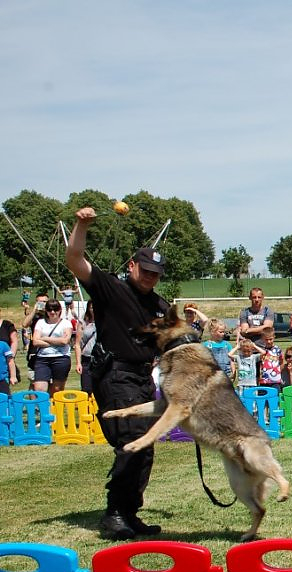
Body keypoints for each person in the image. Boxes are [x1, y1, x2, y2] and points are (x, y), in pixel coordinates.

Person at [65, 206, 170, 540]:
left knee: (146, 446)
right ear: (132, 266)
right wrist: (81, 225)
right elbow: (74, 259)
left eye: (156, 273)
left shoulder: (160, 305)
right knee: (131, 441)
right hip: (115, 376)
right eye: (146, 270)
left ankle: (129, 512)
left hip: (143, 379)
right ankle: (114, 514)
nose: (150, 277)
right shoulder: (111, 288)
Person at [31, 300, 73, 395]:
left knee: (57, 389)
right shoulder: (40, 322)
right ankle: (43, 404)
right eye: (49, 310)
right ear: (46, 310)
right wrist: (56, 341)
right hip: (42, 359)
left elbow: (65, 341)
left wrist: (44, 338)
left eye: (55, 309)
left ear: (60, 310)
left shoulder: (66, 323)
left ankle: (53, 404)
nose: (52, 312)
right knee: (39, 389)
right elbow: (35, 341)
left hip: (61, 358)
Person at [74, 300, 98, 395]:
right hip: (87, 359)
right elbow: (77, 344)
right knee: (87, 388)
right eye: (92, 307)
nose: (94, 310)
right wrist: (78, 363)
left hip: (101, 359)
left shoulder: (107, 321)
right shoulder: (83, 322)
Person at [0, 331, 16, 395]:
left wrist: (13, 376)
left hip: (2, 379)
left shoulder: (3, 345)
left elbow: (10, 361)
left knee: (5, 398)